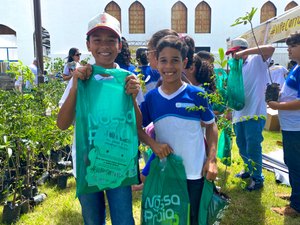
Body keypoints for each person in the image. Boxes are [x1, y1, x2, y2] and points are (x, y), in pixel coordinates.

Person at [57, 12, 141, 225]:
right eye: (97, 40)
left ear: (120, 45)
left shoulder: (128, 80)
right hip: (87, 164)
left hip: (119, 163)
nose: (105, 45)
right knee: (93, 219)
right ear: (88, 44)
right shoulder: (81, 78)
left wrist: (132, 98)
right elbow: (63, 124)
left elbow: (138, 126)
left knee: (123, 218)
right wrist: (76, 86)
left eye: (111, 40)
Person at [138, 35, 218, 225]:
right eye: (163, 60)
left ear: (185, 62)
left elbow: (211, 126)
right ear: (156, 62)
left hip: (194, 173)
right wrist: (153, 144)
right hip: (167, 173)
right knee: (168, 219)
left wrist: (212, 159)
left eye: (175, 60)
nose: (169, 67)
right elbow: (136, 127)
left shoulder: (197, 95)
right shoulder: (151, 98)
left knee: (194, 219)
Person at [225, 37, 275, 191]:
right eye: (232, 54)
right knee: (241, 145)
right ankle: (248, 169)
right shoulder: (236, 69)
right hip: (239, 114)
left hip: (254, 113)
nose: (233, 57)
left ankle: (257, 178)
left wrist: (244, 53)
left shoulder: (256, 61)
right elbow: (232, 91)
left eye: (235, 53)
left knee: (253, 145)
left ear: (242, 50)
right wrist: (229, 110)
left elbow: (270, 49)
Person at [268, 33, 300, 217]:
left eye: (293, 46)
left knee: (295, 164)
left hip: (297, 127)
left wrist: (279, 105)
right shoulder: (296, 68)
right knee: (292, 162)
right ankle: (296, 195)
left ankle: (296, 207)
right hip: (290, 126)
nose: (288, 49)